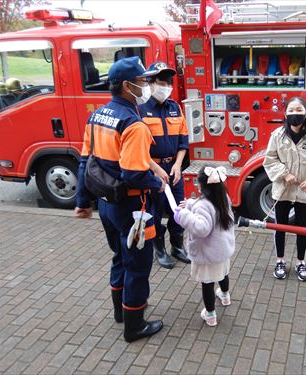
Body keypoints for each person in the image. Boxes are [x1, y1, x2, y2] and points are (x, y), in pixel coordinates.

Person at [75, 56, 166, 343]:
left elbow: (85, 161)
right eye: (143, 81)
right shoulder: (134, 125)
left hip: (107, 205)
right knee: (138, 267)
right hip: (133, 207)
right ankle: (134, 326)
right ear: (128, 86)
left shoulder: (97, 116)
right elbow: (133, 175)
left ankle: (121, 312)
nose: (148, 86)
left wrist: (82, 201)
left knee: (120, 257)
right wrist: (158, 184)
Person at [263, 96, 306, 282]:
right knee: (280, 227)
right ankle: (280, 261)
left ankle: (301, 263)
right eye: (291, 110)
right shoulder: (277, 136)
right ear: (285, 113)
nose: (295, 114)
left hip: (305, 192)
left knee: (303, 229)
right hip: (283, 191)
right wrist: (284, 174)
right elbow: (269, 160)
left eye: (299, 110)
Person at [139, 61, 191, 269]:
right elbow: (138, 149)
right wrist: (156, 170)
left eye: (168, 82)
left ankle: (177, 246)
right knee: (156, 212)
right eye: (161, 82)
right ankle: (158, 247)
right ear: (150, 84)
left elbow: (183, 141)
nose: (166, 87)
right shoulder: (140, 109)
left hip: (173, 169)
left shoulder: (175, 108)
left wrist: (178, 165)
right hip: (152, 171)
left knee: (178, 210)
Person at [173, 166, 235, 326]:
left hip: (207, 253)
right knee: (223, 274)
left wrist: (184, 215)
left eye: (198, 183)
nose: (196, 186)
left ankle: (210, 314)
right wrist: (191, 203)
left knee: (207, 283)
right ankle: (225, 296)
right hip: (221, 251)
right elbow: (208, 210)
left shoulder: (203, 205)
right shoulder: (223, 197)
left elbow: (201, 228)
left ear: (203, 187)